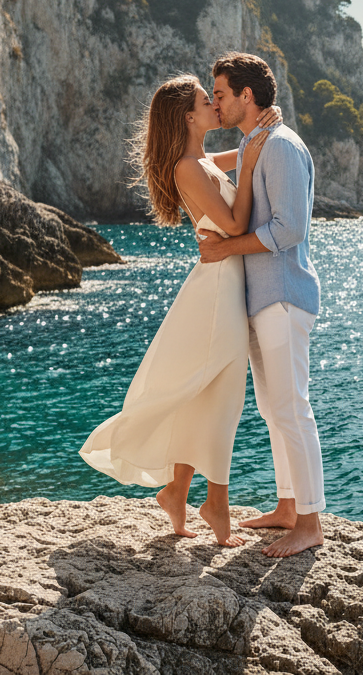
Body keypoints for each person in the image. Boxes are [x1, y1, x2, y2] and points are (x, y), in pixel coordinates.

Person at [78, 74, 279, 547]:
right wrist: (248, 168)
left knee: (205, 394)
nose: (216, 106)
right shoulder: (188, 168)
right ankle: (216, 505)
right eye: (207, 101)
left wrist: (265, 127)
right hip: (215, 293)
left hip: (224, 285)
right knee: (224, 395)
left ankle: (178, 491)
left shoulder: (203, 161)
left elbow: (249, 152)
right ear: (189, 116)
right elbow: (233, 223)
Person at [197, 52, 326, 558]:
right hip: (263, 299)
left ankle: (311, 523)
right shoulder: (257, 141)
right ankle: (288, 507)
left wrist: (227, 248)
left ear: (246, 96)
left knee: (293, 409)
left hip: (284, 297)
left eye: (222, 95)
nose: (216, 103)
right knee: (273, 411)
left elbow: (290, 228)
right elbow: (204, 162)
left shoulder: (281, 146)